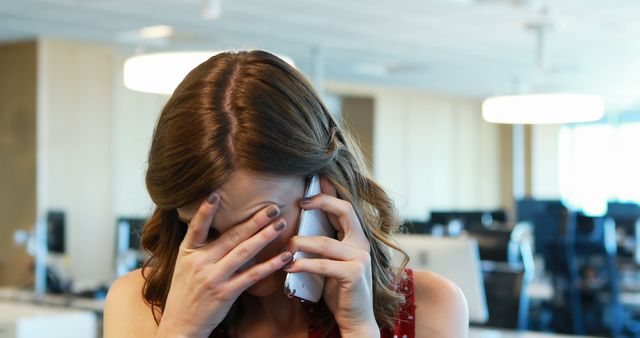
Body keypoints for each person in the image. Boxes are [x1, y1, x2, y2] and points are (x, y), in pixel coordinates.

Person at [104, 50, 468, 338]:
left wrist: (358, 329)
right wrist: (180, 332)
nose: (240, 256)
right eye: (209, 233)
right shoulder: (138, 303)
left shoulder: (433, 307)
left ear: (324, 187)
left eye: (262, 226)